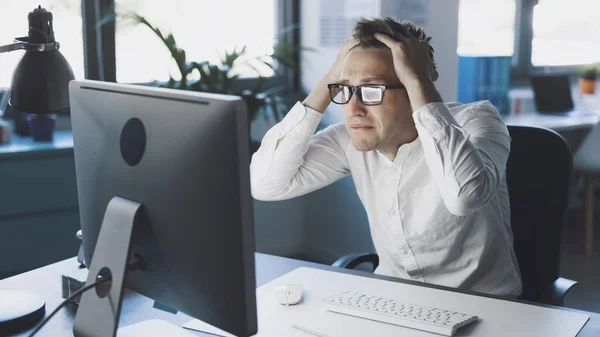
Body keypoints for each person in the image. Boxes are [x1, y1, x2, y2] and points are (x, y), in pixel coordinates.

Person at [250, 17, 522, 297]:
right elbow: (265, 184)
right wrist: (331, 78)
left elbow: (464, 197)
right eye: (345, 89)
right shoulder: (350, 137)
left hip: (484, 306)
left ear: (415, 84)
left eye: (371, 90)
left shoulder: (477, 120)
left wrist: (418, 80)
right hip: (393, 302)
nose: (353, 109)